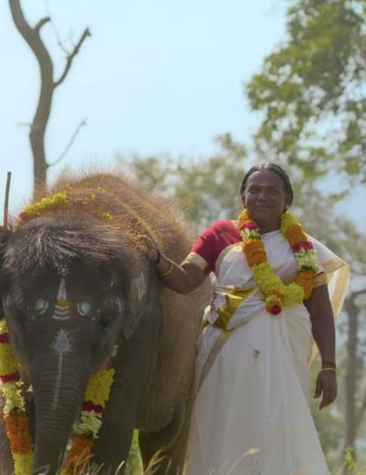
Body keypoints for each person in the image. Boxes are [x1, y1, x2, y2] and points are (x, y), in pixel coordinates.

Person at [141, 162, 350, 474]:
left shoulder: (304, 248)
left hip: (284, 354)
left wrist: (329, 367)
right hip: (226, 352)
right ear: (243, 197)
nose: (262, 195)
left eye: (272, 190)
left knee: (278, 422)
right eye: (254, 189)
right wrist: (156, 258)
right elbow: (185, 281)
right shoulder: (221, 234)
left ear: (287, 200)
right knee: (224, 421)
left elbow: (320, 311)